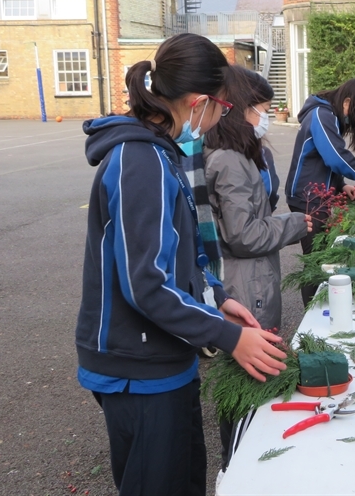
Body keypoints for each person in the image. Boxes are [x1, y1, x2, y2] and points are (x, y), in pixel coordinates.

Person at [77, 33, 288, 496]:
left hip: (163, 358)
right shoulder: (140, 160)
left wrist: (219, 300)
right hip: (138, 368)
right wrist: (230, 337)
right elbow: (147, 284)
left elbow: (182, 257)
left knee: (186, 477)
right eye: (223, 108)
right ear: (198, 103)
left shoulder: (161, 153)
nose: (220, 119)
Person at [203, 67, 311, 333]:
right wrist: (294, 224)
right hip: (247, 288)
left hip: (250, 280)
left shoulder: (238, 154)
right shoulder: (230, 161)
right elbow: (244, 236)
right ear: (243, 109)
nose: (266, 117)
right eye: (264, 109)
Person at [285, 78, 355, 306]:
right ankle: (313, 314)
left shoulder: (328, 116)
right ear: (347, 102)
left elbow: (324, 162)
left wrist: (341, 185)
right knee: (316, 261)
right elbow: (334, 156)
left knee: (324, 255)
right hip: (307, 199)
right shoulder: (321, 115)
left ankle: (324, 306)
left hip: (319, 197)